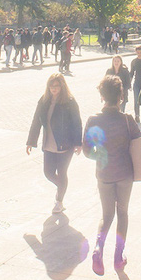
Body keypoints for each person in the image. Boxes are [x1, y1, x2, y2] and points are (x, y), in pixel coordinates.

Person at [83, 75, 140, 275]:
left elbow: (87, 151)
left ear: (102, 96)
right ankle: (118, 256)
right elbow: (139, 144)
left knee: (106, 215)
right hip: (125, 174)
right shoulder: (127, 120)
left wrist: (102, 155)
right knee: (122, 213)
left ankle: (98, 250)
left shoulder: (93, 120)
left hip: (104, 173)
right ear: (120, 96)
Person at [26, 73, 83, 214]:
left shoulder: (69, 101)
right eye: (51, 86)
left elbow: (77, 123)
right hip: (49, 144)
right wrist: (31, 141)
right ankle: (62, 187)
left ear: (62, 86)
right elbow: (36, 121)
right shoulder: (44, 100)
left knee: (62, 172)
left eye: (56, 86)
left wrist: (78, 143)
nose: (54, 89)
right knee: (48, 172)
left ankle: (59, 201)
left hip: (65, 144)